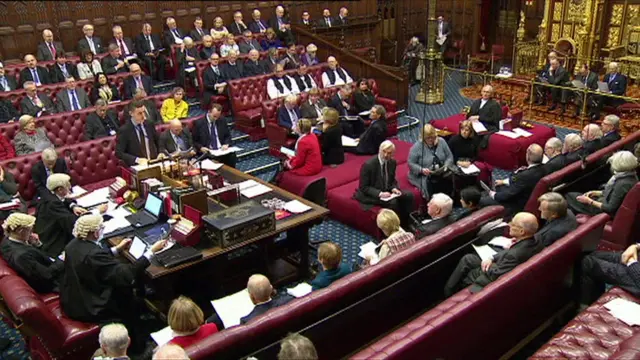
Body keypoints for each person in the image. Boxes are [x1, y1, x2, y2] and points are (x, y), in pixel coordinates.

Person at [61, 215, 166, 354]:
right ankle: (138, 347)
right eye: (101, 227)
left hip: (76, 297)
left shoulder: (73, 245)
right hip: (93, 305)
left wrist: (117, 249)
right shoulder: (93, 254)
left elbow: (95, 263)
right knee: (126, 291)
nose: (103, 229)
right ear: (94, 232)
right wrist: (150, 252)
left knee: (133, 296)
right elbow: (127, 274)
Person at [444, 212, 540, 296]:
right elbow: (511, 252)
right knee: (468, 258)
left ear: (522, 231)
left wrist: (474, 285)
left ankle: (448, 293)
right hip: (498, 263)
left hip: (491, 274)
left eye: (513, 224)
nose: (509, 224)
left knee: (467, 272)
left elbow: (495, 276)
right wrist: (491, 258)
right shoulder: (535, 239)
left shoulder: (514, 255)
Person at [35, 173, 106, 256]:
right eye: (68, 185)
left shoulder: (49, 195)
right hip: (56, 243)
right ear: (60, 189)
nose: (70, 187)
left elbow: (64, 200)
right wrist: (97, 211)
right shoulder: (52, 204)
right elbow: (74, 223)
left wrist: (73, 206)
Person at [354, 141, 415, 228]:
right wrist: (380, 194)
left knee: (409, 195)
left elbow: (392, 180)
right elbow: (364, 187)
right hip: (372, 194)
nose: (386, 155)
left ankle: (407, 223)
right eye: (384, 151)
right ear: (379, 150)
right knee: (393, 203)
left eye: (389, 153)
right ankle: (396, 227)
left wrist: (394, 188)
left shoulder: (392, 162)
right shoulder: (368, 165)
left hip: (387, 191)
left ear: (393, 153)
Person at [0, 213, 64, 293]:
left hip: (44, 266)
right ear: (21, 231)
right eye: (30, 229)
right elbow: (46, 275)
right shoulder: (22, 256)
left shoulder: (5, 242)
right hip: (53, 283)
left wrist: (37, 244)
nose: (32, 232)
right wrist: (61, 260)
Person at [566, 150, 638, 217]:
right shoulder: (632, 175)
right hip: (604, 200)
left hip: (602, 210)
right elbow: (616, 194)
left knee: (569, 196)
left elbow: (610, 208)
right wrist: (595, 192)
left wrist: (589, 201)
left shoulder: (622, 184)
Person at [485, 144, 547, 220]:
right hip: (531, 195)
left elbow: (509, 194)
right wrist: (504, 181)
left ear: (528, 156)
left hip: (518, 204)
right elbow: (517, 181)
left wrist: (493, 195)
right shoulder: (545, 167)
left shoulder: (523, 176)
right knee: (501, 185)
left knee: (483, 201)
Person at [407, 124, 454, 199]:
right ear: (423, 138)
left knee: (449, 179)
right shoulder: (416, 147)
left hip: (441, 171)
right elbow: (411, 163)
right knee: (431, 186)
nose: (430, 140)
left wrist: (447, 165)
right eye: (428, 138)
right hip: (425, 175)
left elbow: (449, 156)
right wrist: (421, 170)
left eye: (432, 137)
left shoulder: (441, 141)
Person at [115, 100, 162, 166]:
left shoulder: (149, 124)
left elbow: (158, 141)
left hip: (153, 162)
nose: (143, 116)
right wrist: (137, 160)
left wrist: (161, 152)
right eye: (140, 113)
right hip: (137, 165)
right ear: (131, 113)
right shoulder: (124, 130)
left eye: (144, 112)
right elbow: (119, 153)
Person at [192, 104, 237, 168]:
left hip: (221, 150)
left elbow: (227, 136)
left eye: (218, 116)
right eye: (214, 116)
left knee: (232, 155)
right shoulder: (199, 123)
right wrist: (201, 148)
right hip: (209, 151)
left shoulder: (222, 120)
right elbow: (194, 141)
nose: (216, 119)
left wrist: (226, 144)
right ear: (209, 112)